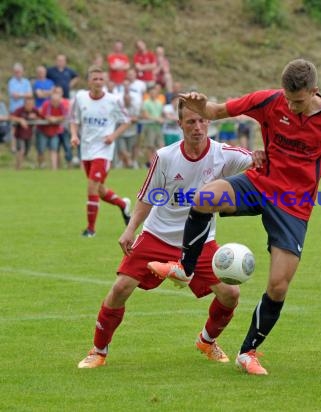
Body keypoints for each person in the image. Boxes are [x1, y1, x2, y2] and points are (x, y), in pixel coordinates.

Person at [148, 58, 321, 375]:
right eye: (288, 98)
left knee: (278, 286)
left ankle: (248, 352)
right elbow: (218, 111)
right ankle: (185, 268)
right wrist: (202, 105)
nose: (291, 105)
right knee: (205, 197)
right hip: (260, 184)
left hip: (293, 204)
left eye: (298, 101)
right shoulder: (270, 100)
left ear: (315, 91)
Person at [77, 102, 263, 368]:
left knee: (230, 294)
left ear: (209, 122)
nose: (197, 127)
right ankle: (98, 351)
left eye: (202, 121)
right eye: (190, 122)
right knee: (120, 288)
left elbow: (256, 161)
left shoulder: (225, 154)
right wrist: (130, 229)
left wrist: (260, 155)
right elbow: (147, 196)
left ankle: (207, 341)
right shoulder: (165, 156)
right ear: (180, 125)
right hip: (157, 235)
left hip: (200, 241)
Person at [70, 66, 132, 237]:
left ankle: (90, 230)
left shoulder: (113, 100)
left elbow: (127, 120)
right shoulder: (80, 97)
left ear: (104, 81)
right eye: (94, 79)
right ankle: (123, 204)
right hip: (86, 150)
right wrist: (74, 135)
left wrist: (113, 136)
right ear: (89, 81)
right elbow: (73, 119)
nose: (98, 82)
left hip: (103, 151)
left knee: (91, 187)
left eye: (100, 79)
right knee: (99, 189)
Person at [37, 87, 69, 170]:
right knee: (41, 149)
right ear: (51, 100)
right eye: (54, 101)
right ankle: (41, 166)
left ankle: (54, 169)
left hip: (54, 131)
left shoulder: (61, 105)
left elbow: (64, 116)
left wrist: (55, 119)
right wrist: (51, 119)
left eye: (57, 101)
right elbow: (46, 116)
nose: (56, 103)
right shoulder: (47, 104)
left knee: (54, 148)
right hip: (43, 130)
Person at [10, 96, 41, 170]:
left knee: (26, 151)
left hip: (29, 135)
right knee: (21, 150)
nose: (30, 106)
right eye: (28, 104)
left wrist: (35, 117)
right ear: (25, 104)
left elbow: (43, 117)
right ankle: (18, 168)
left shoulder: (35, 110)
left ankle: (19, 166)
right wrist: (20, 120)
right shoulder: (19, 110)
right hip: (20, 134)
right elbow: (11, 117)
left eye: (31, 104)